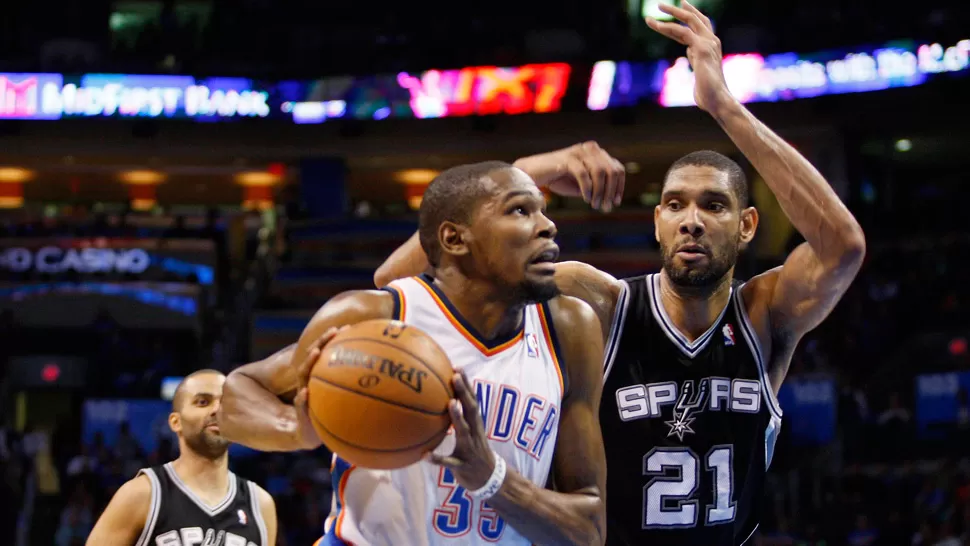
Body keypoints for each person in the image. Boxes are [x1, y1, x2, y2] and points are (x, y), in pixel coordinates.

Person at [373, 3, 867, 545]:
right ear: (658, 223)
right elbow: (400, 283)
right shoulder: (601, 302)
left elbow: (842, 246)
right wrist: (529, 172)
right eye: (675, 205)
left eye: (714, 206)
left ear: (748, 225)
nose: (693, 222)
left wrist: (723, 105)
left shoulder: (763, 316)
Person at [217, 161, 610, 546]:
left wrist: (491, 479)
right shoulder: (377, 317)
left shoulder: (570, 329)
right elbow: (237, 393)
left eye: (543, 210)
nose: (548, 225)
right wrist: (295, 429)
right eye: (521, 210)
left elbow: (588, 531)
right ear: (455, 239)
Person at [86, 370, 277, 546]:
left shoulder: (261, 504)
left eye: (225, 403)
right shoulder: (143, 495)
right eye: (203, 402)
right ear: (176, 422)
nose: (217, 410)